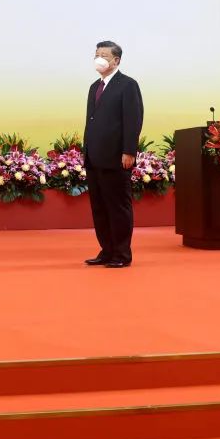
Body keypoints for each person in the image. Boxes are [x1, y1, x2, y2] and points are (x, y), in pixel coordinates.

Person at [83, 40, 143, 268]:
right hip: (94, 157)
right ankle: (107, 251)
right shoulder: (94, 87)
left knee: (117, 207)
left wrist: (129, 151)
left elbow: (133, 120)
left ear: (116, 60)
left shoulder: (128, 85)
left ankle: (121, 254)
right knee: (99, 208)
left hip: (116, 157)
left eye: (104, 56)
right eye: (97, 54)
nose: (99, 59)